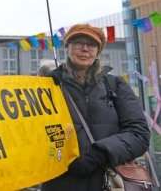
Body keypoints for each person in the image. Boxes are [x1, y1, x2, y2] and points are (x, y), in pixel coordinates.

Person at [42, 24, 150, 191]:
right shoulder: (49, 86)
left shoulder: (115, 85)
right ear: (67, 47)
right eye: (78, 42)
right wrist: (45, 85)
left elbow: (139, 133)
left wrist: (101, 154)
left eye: (91, 44)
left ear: (98, 51)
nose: (85, 49)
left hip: (109, 181)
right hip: (60, 182)